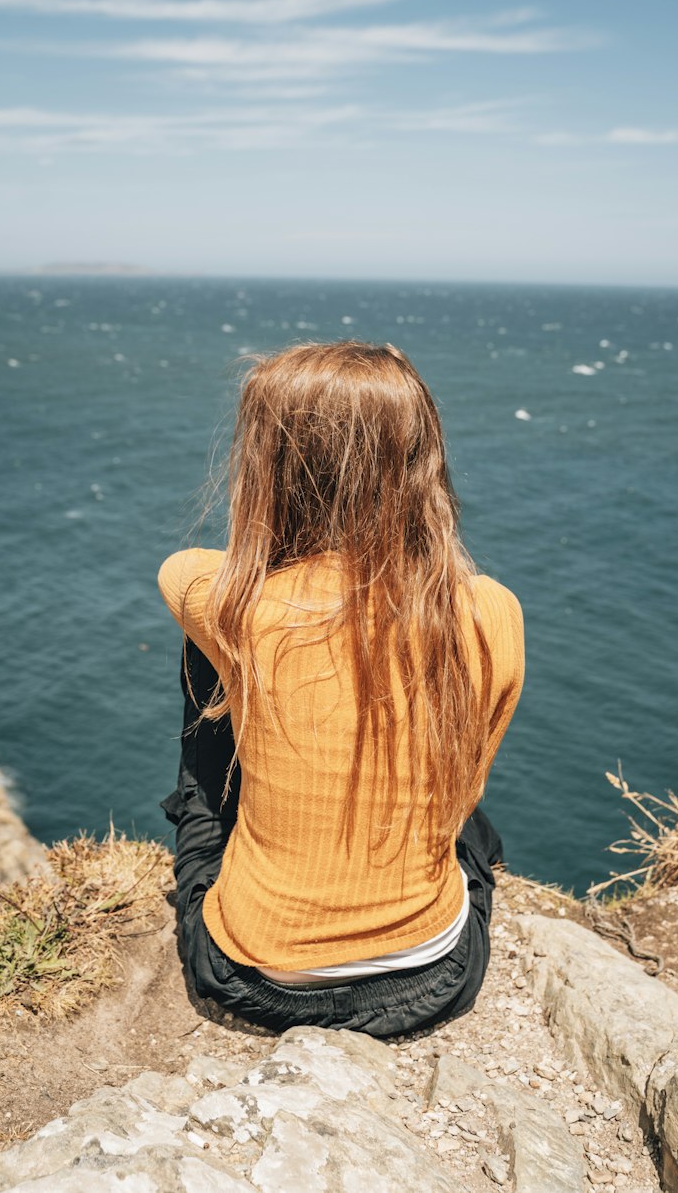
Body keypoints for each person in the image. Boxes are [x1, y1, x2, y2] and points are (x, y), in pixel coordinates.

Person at [157, 341, 524, 1037]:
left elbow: (181, 568)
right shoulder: (489, 611)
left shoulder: (240, 608)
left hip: (252, 977)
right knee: (469, 822)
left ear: (273, 467)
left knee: (210, 647)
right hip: (430, 977)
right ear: (422, 464)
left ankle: (270, 871)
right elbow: (465, 787)